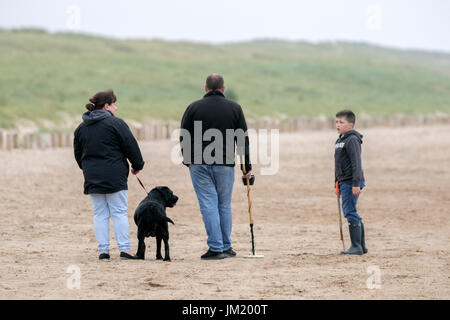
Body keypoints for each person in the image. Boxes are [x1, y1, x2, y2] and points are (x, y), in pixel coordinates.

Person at [180, 74, 252, 260]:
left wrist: (188, 160)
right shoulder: (235, 108)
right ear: (223, 88)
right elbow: (243, 139)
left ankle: (216, 247)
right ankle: (226, 246)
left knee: (208, 204)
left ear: (205, 88)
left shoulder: (193, 107)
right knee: (224, 205)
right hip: (225, 163)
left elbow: (184, 135)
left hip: (199, 162)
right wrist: (246, 167)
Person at [74, 89, 144, 260]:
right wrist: (137, 166)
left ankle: (103, 250)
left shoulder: (81, 128)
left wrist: (88, 169)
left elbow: (78, 154)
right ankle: (125, 249)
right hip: (115, 175)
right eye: (114, 104)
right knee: (119, 212)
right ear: (106, 106)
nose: (116, 108)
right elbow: (131, 147)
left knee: (100, 214)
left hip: (92, 175)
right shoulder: (116, 124)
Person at [334, 109, 367, 255]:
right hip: (343, 182)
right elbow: (338, 164)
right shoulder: (340, 139)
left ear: (351, 124)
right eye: (336, 122)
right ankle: (361, 246)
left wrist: (355, 183)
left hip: (351, 182)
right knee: (351, 210)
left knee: (349, 211)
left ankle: (356, 246)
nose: (337, 125)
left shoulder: (352, 139)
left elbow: (356, 163)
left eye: (341, 122)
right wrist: (336, 182)